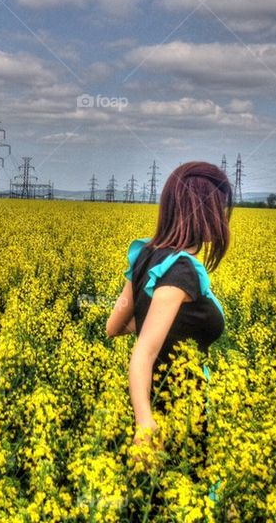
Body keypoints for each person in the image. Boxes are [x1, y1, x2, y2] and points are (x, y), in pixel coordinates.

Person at [105, 161, 232, 499]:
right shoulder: (182, 273)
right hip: (178, 416)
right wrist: (146, 422)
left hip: (152, 402)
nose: (223, 219)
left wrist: (154, 324)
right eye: (220, 209)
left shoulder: (147, 255)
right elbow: (143, 352)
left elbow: (114, 325)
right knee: (186, 500)